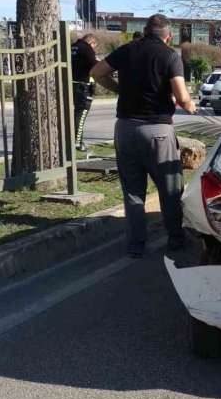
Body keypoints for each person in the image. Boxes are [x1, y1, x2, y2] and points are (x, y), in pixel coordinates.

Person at [90, 14, 197, 258]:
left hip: (125, 129)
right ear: (168, 36)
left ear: (146, 30)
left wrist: (119, 90)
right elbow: (182, 97)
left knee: (132, 190)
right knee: (170, 188)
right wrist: (190, 105)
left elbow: (97, 72)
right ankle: (175, 238)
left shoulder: (127, 50)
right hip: (157, 131)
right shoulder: (170, 56)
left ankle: (136, 244)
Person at [70, 33, 99, 151]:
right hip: (83, 86)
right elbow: (95, 66)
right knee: (80, 115)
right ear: (92, 43)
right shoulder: (87, 49)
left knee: (73, 115)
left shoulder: (72, 47)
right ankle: (78, 143)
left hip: (71, 84)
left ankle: (71, 140)